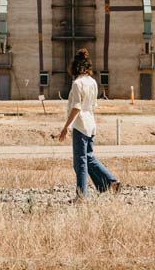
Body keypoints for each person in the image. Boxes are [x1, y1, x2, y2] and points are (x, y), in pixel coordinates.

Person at [59, 48, 120, 200]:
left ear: (74, 67)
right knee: (89, 157)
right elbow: (93, 105)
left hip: (80, 126)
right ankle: (110, 183)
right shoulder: (93, 82)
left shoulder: (77, 84)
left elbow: (76, 107)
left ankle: (81, 196)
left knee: (80, 163)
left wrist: (66, 127)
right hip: (91, 124)